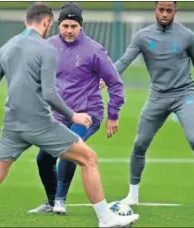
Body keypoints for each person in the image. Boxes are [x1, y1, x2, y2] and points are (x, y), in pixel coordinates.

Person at [0, 3, 139, 228]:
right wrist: (73, 116)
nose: (68, 30)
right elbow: (50, 93)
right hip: (43, 124)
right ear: (48, 23)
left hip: (12, 126)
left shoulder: (6, 47)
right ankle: (105, 219)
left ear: (26, 21)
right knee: (88, 158)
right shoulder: (47, 49)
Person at [114, 1, 194, 208]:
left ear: (175, 11)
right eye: (161, 10)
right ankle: (133, 195)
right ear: (155, 10)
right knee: (139, 144)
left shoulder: (187, 36)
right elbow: (123, 61)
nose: (165, 14)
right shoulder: (142, 37)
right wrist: (107, 76)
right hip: (157, 97)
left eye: (169, 10)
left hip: (184, 95)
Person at [28, 2, 124, 215]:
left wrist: (113, 115)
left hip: (89, 114)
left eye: (73, 26)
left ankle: (61, 199)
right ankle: (52, 201)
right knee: (43, 158)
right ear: (58, 26)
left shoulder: (94, 50)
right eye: (65, 26)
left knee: (69, 148)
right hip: (59, 114)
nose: (69, 30)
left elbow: (115, 82)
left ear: (81, 26)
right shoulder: (49, 46)